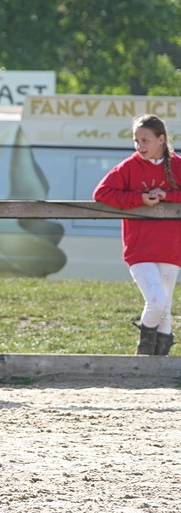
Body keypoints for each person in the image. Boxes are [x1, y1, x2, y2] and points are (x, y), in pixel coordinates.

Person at [93, 114, 181, 356]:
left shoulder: (177, 165)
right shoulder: (128, 167)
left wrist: (167, 196)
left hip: (172, 247)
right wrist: (139, 199)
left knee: (165, 308)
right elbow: (101, 193)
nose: (139, 146)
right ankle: (143, 353)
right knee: (157, 301)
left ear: (161, 139)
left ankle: (156, 365)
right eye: (136, 140)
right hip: (139, 247)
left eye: (145, 140)